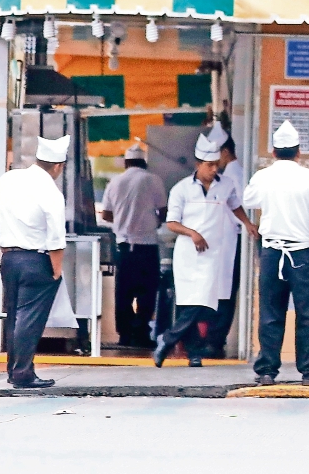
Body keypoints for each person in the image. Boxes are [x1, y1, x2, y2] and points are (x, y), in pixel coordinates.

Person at [241, 120, 309, 386]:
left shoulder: (263, 176)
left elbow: (248, 200)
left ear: (274, 152)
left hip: (272, 253)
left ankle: (266, 371)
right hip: (303, 254)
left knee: (270, 312)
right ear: (299, 151)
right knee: (307, 313)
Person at [153, 135, 258, 367]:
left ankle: (169, 339)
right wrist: (193, 233)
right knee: (188, 303)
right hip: (188, 255)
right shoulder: (181, 189)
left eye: (215, 165)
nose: (213, 169)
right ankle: (194, 354)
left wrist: (247, 224)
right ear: (197, 165)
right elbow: (171, 223)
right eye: (209, 165)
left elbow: (234, 205)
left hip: (212, 255)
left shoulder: (226, 185)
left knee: (202, 303)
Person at [0, 135, 71, 388]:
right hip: (36, 260)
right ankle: (23, 373)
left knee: (14, 316)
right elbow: (57, 238)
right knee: (29, 319)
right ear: (58, 166)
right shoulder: (51, 191)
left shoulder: (8, 179)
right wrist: (56, 272)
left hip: (9, 258)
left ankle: (16, 372)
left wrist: (7, 249)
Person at [101, 142, 167, 348]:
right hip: (147, 246)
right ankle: (141, 332)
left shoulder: (115, 182)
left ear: (126, 162)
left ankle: (125, 335)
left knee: (123, 293)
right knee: (147, 292)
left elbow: (106, 214)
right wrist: (153, 223)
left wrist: (122, 221)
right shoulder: (153, 180)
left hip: (123, 246)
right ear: (143, 162)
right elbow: (163, 211)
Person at [204, 123, 243, 357]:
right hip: (223, 241)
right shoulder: (227, 174)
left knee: (224, 293)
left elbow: (240, 207)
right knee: (220, 291)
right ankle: (213, 339)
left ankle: (215, 340)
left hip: (232, 241)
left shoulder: (233, 174)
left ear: (225, 152)